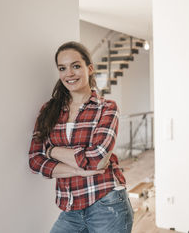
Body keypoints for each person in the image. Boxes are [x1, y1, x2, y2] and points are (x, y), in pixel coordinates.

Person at [28, 41, 134, 233]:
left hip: (107, 204)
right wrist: (80, 170)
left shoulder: (107, 108)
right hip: (70, 208)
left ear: (90, 69)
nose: (69, 73)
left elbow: (97, 160)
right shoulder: (48, 111)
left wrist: (51, 151)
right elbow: (35, 160)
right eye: (62, 68)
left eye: (76, 66)